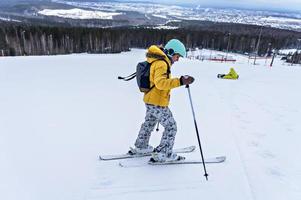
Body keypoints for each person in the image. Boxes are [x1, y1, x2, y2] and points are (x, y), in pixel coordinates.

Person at [128, 39, 195, 162]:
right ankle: (163, 153)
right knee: (171, 126)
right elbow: (160, 84)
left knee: (149, 123)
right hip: (157, 102)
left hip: (150, 100)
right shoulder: (162, 63)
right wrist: (180, 81)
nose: (177, 59)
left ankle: (141, 146)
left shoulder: (158, 61)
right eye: (177, 56)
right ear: (170, 52)